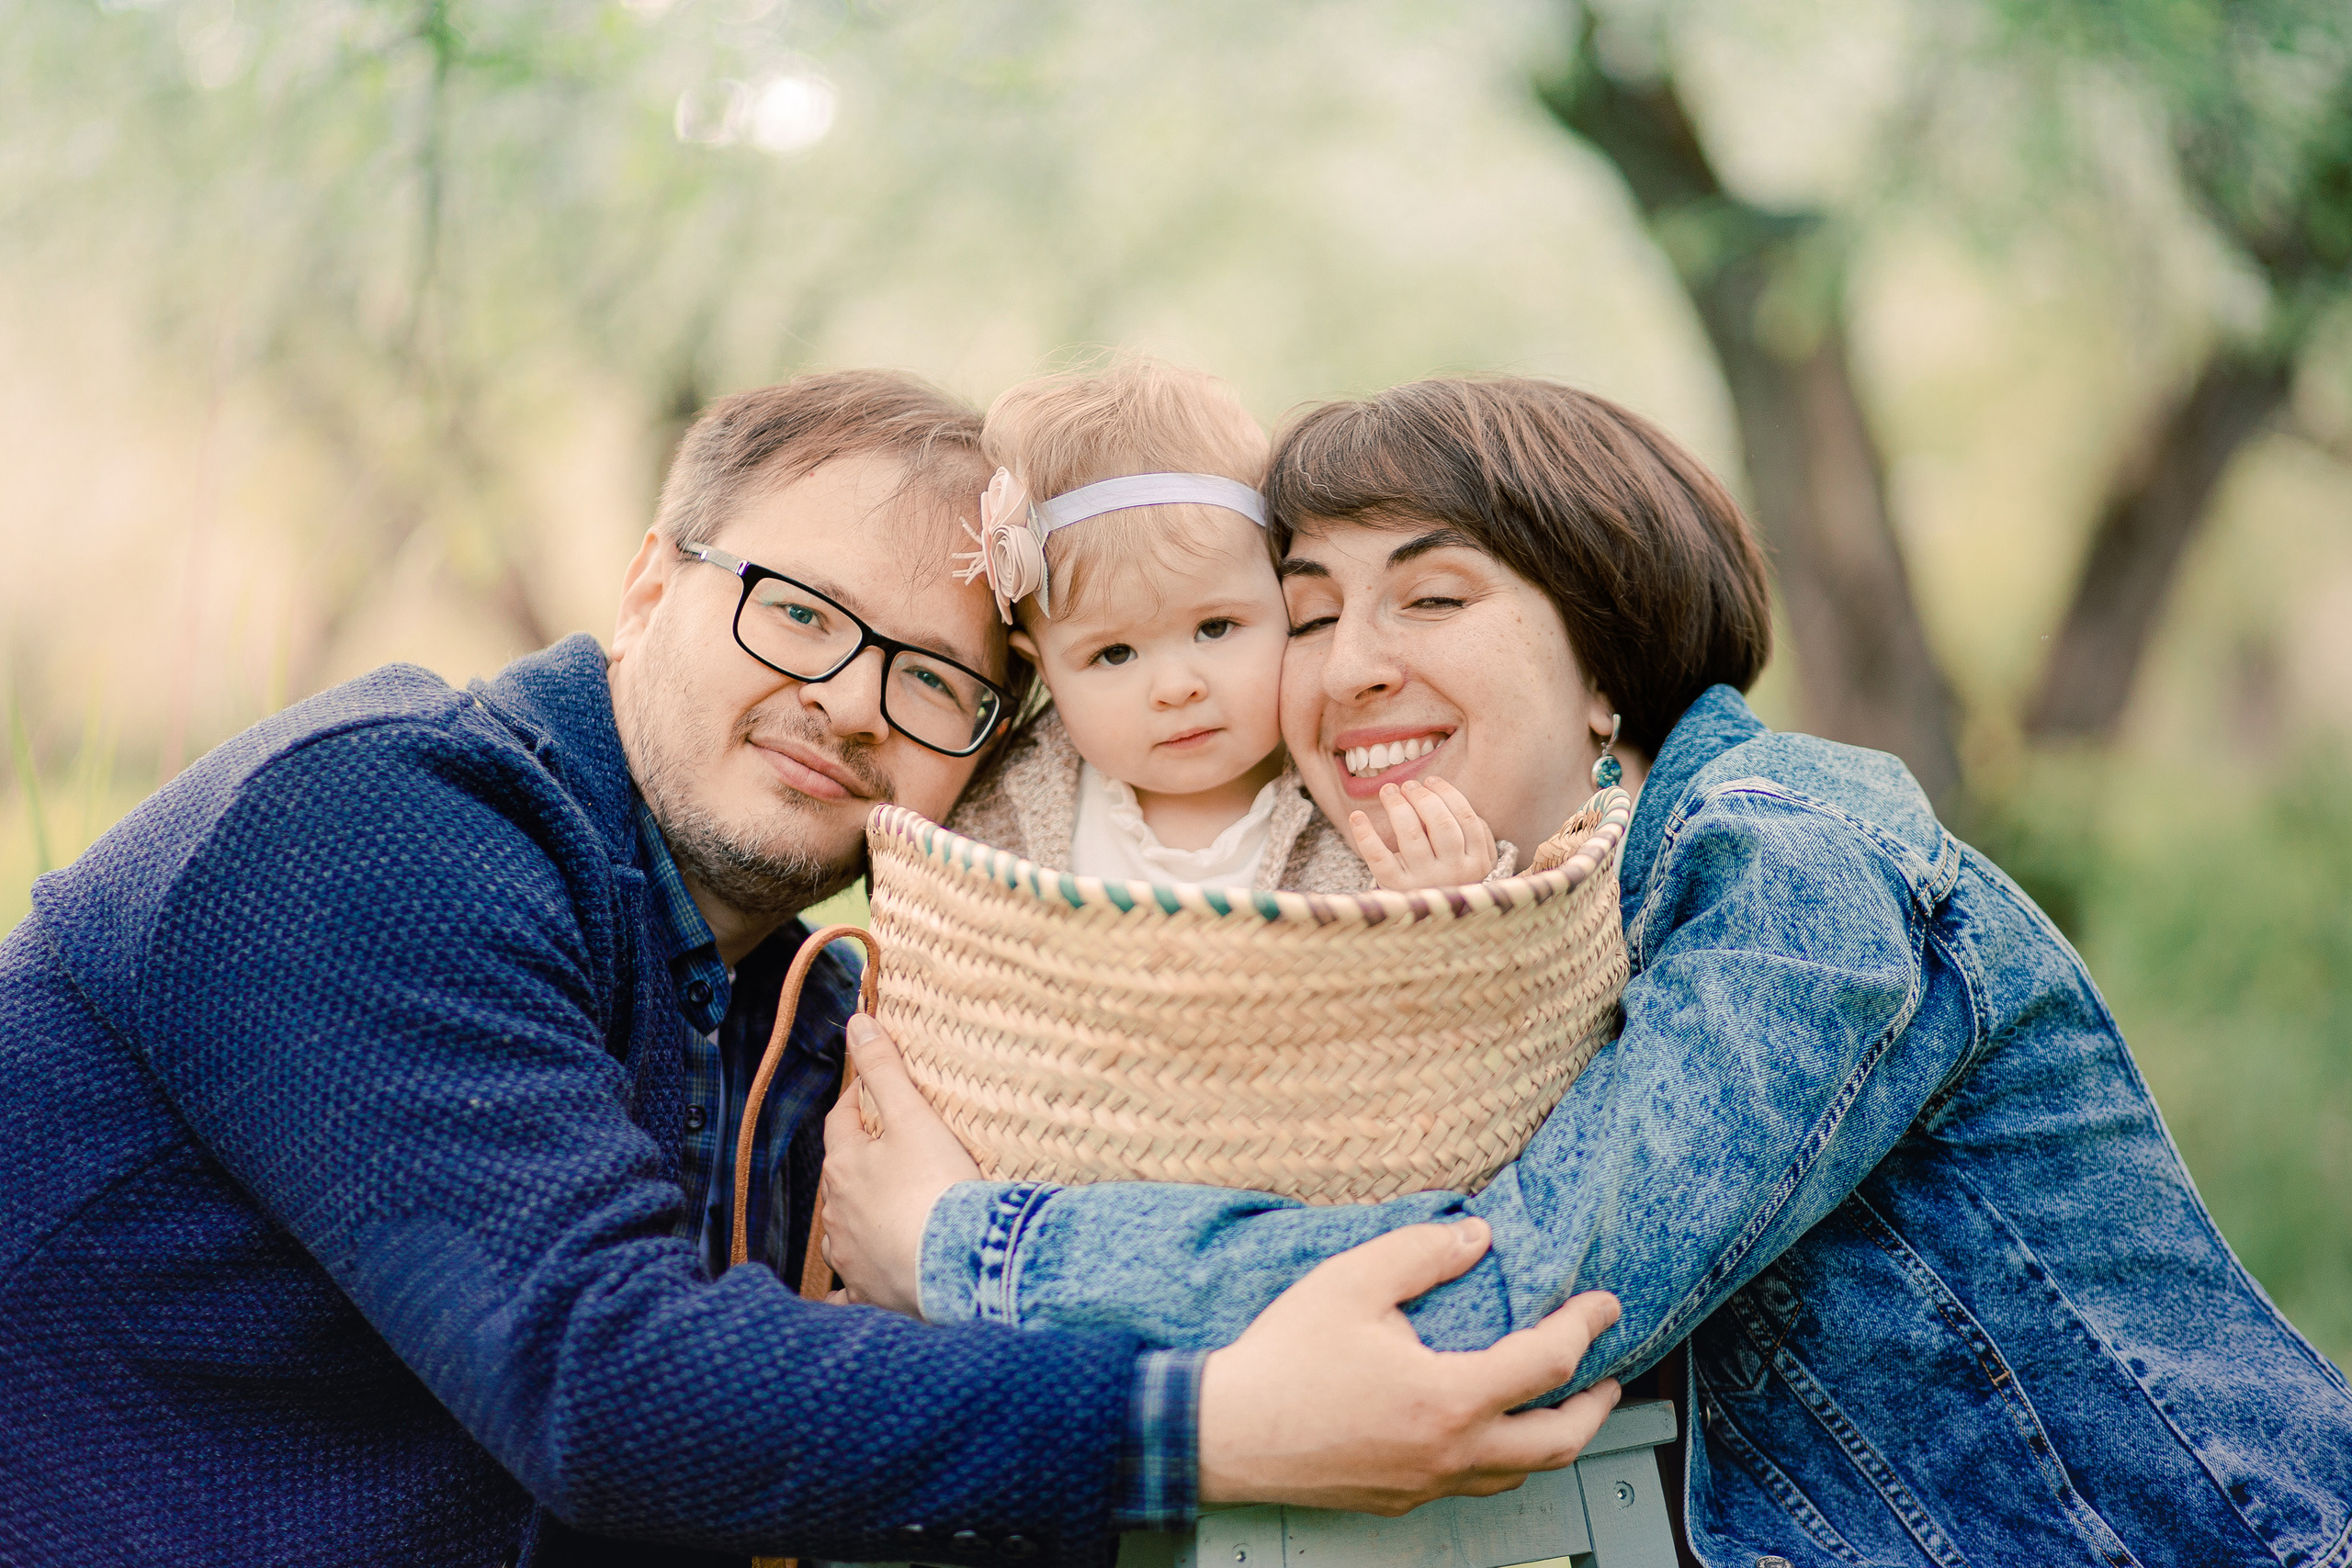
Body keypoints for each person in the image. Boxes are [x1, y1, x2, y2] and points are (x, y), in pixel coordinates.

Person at [0, 370, 1628, 1568]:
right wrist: (1210, 1423)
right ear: (648, 583)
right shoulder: (371, 819)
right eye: (797, 615)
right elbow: (606, 1383)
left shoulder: (811, 1008)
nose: (854, 702)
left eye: (934, 680)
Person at [820, 376, 2352, 1566]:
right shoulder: (1531, 944)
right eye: (1304, 615)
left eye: (1433, 596)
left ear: (1610, 657)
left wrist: (975, 1242)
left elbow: (1502, 1299)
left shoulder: (1797, 866)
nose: (1347, 666)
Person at [946, 358, 1499, 892]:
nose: (1176, 688)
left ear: (1289, 608)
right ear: (1042, 667)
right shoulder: (998, 818)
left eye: (1215, 628)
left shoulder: (1356, 797)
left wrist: (1445, 899)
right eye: (1113, 654)